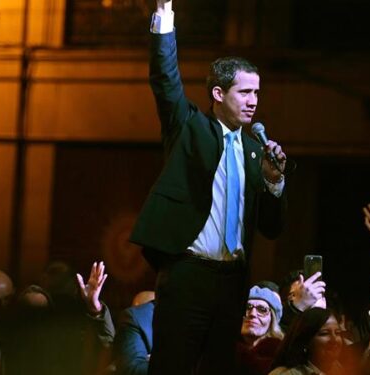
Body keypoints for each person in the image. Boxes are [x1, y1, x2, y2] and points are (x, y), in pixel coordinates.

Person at [129, 0, 287, 373]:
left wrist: (274, 181)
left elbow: (271, 227)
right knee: (174, 365)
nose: (253, 102)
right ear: (218, 94)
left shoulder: (254, 150)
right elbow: (165, 79)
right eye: (244, 93)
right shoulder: (189, 126)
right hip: (188, 273)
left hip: (232, 281)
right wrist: (165, 12)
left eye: (256, 93)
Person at [269, 308, 345, 375]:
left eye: (337, 333)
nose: (334, 339)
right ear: (306, 340)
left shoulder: (341, 370)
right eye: (324, 333)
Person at [238, 285, 285, 375]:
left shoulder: (281, 356)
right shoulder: (222, 350)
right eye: (247, 307)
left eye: (262, 309)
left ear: (272, 320)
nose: (252, 314)